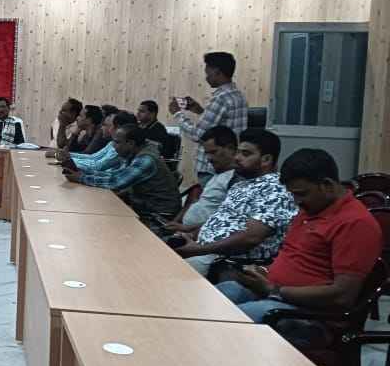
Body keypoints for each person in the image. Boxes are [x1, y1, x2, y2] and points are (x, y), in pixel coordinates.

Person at [214, 148, 383, 349]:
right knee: (216, 297)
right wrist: (263, 272)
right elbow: (295, 258)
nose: (297, 201)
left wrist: (275, 290)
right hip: (277, 297)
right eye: (293, 194)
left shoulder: (356, 223)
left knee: (232, 322)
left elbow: (342, 296)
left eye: (302, 194)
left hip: (312, 318)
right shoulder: (311, 208)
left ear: (327, 185)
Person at [175, 128, 297, 277]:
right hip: (205, 251)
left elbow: (251, 237)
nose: (237, 158)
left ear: (266, 160)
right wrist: (191, 235)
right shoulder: (242, 184)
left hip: (230, 263)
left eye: (245, 154)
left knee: (163, 273)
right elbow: (220, 220)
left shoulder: (275, 189)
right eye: (238, 152)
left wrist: (200, 249)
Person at [64, 124, 181, 221]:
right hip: (145, 208)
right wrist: (85, 174)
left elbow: (116, 182)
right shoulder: (135, 153)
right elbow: (117, 174)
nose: (114, 147)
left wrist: (82, 178)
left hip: (158, 216)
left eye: (117, 142)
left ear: (131, 143)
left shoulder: (146, 159)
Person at [169, 51, 248, 186]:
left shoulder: (220, 98)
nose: (206, 78)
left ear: (217, 72)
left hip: (211, 167)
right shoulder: (238, 96)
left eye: (208, 73)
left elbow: (198, 135)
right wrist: (200, 111)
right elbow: (221, 126)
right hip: (229, 163)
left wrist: (177, 114)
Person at [164, 126, 239, 228]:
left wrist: (190, 232)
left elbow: (227, 221)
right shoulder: (218, 174)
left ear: (231, 149)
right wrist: (176, 224)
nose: (208, 158)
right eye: (207, 153)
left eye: (213, 152)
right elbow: (196, 201)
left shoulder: (235, 180)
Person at [60, 111, 137, 174]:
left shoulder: (121, 148)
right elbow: (93, 157)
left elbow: (97, 166)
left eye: (106, 125)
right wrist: (68, 155)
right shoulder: (112, 143)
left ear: (118, 128)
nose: (101, 128)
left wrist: (69, 161)